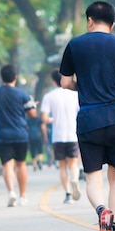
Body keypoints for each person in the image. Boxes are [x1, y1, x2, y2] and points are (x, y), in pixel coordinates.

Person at [60, 0, 115, 231]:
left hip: (89, 119)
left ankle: (101, 210)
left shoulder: (75, 45)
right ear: (113, 23)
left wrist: (81, 86)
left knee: (93, 178)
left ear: (89, 21)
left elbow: (65, 83)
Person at [0, 64, 37, 207]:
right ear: (15, 77)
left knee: (7, 164)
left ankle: (11, 193)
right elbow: (32, 113)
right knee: (21, 164)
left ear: (2, 77)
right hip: (21, 133)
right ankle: (22, 196)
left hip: (3, 134)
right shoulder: (22, 93)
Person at [40, 70, 80, 204]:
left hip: (58, 136)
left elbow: (44, 118)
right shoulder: (75, 95)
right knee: (73, 163)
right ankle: (75, 178)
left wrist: (54, 119)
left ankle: (68, 194)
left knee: (62, 166)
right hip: (72, 134)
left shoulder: (49, 96)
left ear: (53, 81)